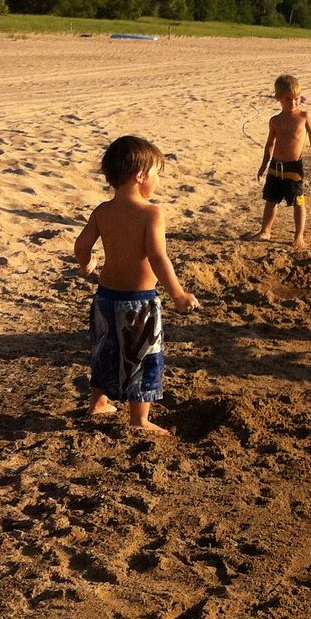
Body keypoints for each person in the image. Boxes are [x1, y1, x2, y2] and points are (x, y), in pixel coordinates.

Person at [74, 136, 199, 434]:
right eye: (157, 174)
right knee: (142, 357)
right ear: (140, 176)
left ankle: (98, 403)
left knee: (106, 350)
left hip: (105, 298)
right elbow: (157, 257)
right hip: (139, 302)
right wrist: (178, 294)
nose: (157, 181)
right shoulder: (151, 213)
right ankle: (139, 419)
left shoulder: (102, 211)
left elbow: (82, 245)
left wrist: (87, 265)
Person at [246, 74, 311, 248]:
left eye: (297, 99)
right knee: (271, 199)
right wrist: (263, 165)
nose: (294, 103)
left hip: (293, 167)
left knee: (298, 201)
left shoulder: (304, 117)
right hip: (275, 166)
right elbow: (270, 144)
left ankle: (299, 236)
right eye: (289, 99)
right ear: (279, 99)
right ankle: (265, 231)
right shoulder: (275, 121)